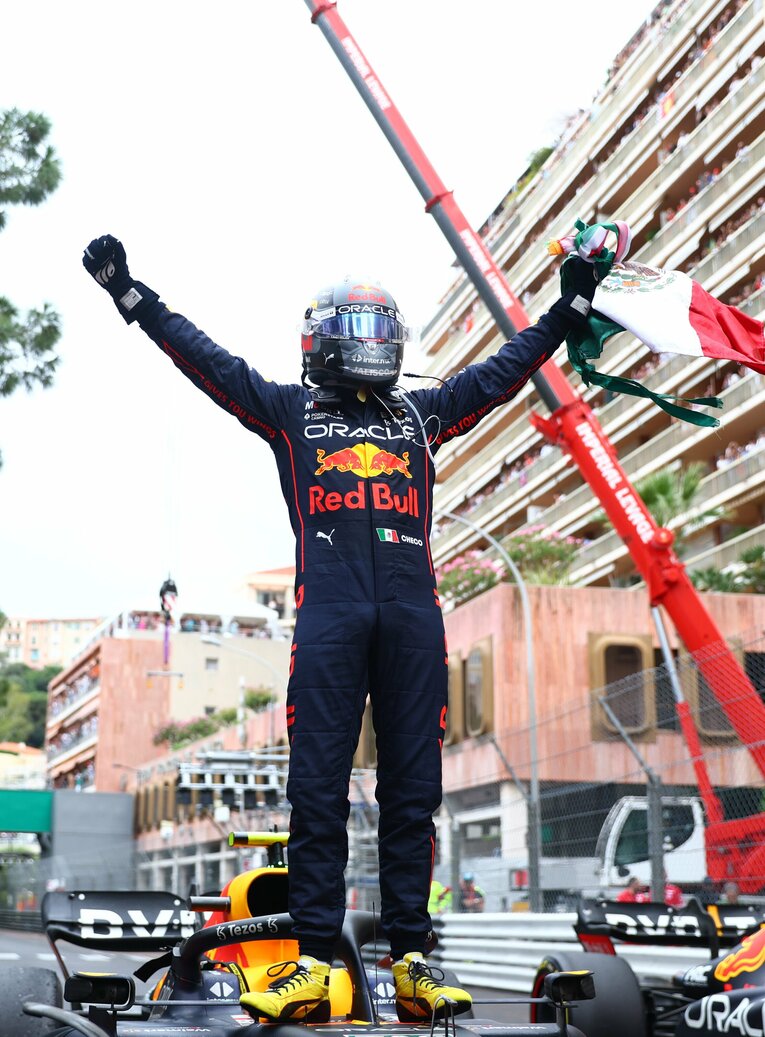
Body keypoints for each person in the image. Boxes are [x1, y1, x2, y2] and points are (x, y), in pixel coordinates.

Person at [82, 234, 598, 1024]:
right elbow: (208, 361)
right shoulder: (289, 411)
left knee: (413, 794)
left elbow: (503, 371)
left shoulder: (423, 414)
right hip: (325, 617)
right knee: (316, 792)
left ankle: (414, 960)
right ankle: (314, 963)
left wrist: (569, 308)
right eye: (353, 330)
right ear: (321, 339)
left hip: (412, 620)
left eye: (377, 329)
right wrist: (133, 297)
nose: (368, 344)